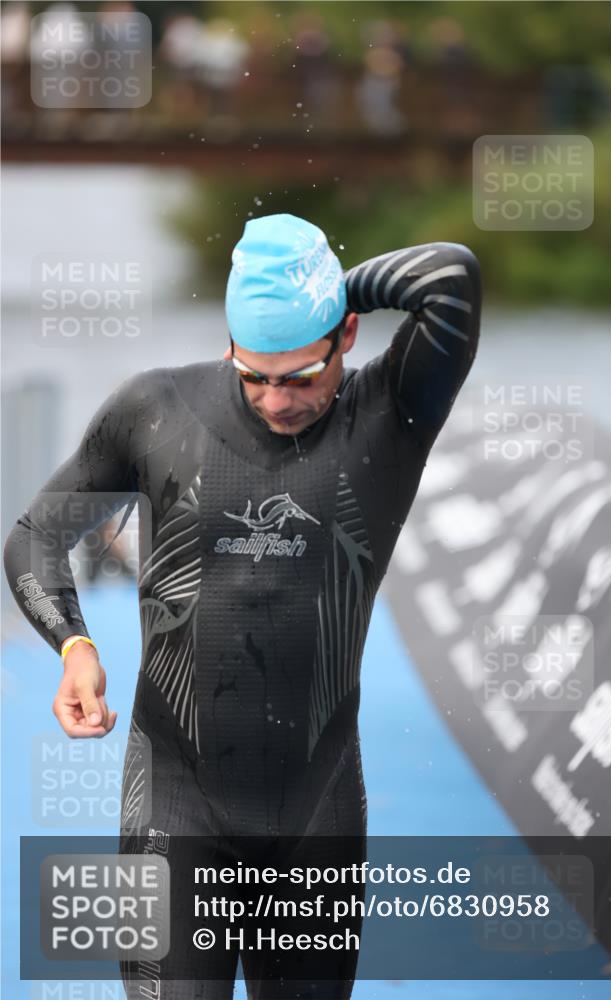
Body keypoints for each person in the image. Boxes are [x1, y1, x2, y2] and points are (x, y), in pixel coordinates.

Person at [3, 213, 481, 998]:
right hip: (173, 803)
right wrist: (74, 647)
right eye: (253, 373)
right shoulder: (155, 408)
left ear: (347, 334)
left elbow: (450, 276)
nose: (275, 399)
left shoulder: (391, 413)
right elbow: (35, 538)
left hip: (316, 814)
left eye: (300, 375)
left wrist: (320, 290)